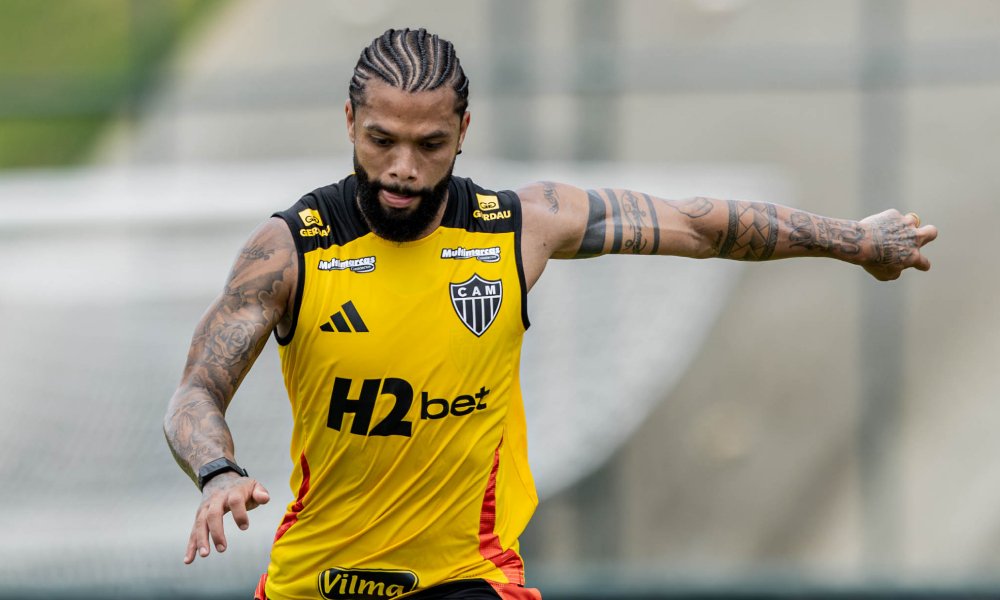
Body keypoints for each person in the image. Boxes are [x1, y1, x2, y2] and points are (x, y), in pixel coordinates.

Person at [163, 28, 938, 600]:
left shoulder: (517, 228)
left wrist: (856, 239)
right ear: (349, 124)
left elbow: (701, 225)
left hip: (464, 578)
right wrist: (217, 471)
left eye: (429, 145)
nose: (402, 167)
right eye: (382, 141)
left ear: (463, 133)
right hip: (313, 581)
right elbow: (196, 390)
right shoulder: (291, 250)